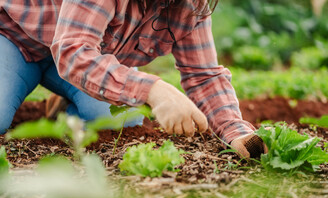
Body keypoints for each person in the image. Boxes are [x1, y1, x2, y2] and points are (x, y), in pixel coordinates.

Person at [0, 0, 265, 158]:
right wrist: (153, 90)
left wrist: (235, 131)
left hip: (84, 56)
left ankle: (67, 98)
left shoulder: (190, 5)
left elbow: (203, 75)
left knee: (122, 119)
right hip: (16, 38)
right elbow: (73, 52)